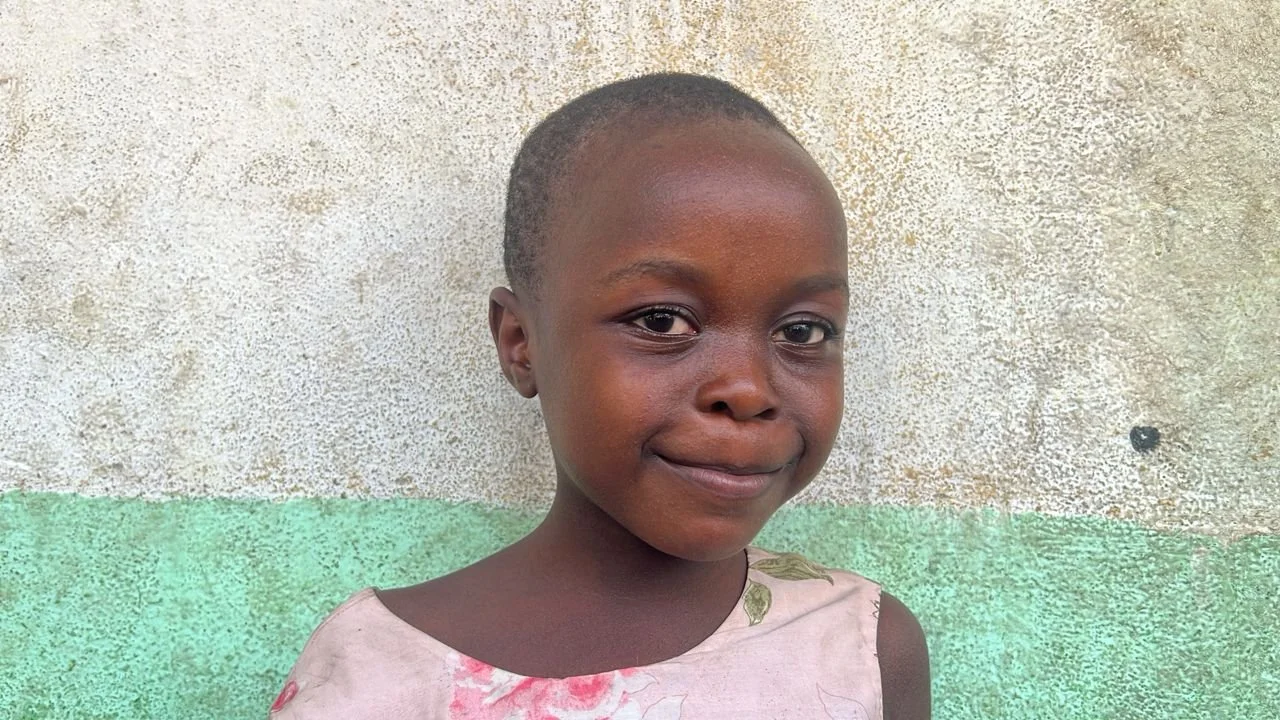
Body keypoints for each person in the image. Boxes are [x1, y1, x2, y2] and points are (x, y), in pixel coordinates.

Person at [269, 72, 930, 719]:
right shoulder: (374, 670)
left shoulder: (862, 651)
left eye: (802, 330)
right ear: (522, 342)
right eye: (662, 322)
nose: (749, 392)